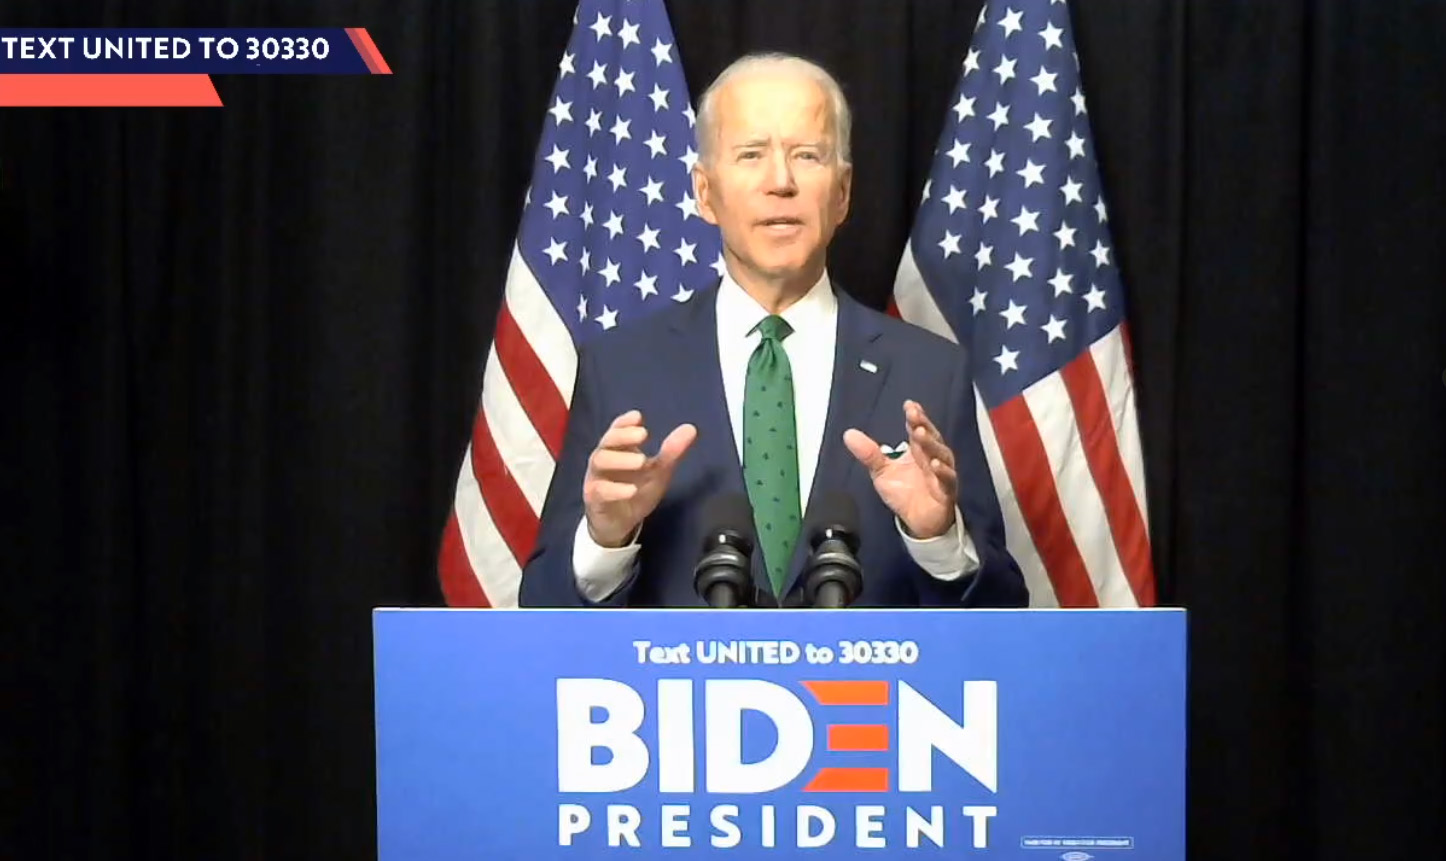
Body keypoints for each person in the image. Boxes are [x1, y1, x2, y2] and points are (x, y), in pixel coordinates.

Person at [518, 53, 1026, 608]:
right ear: (705, 193)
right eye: (751, 154)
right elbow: (542, 605)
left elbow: (1001, 610)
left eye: (807, 156)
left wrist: (937, 539)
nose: (780, 182)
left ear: (842, 193)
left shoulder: (931, 371)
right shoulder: (621, 367)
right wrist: (606, 539)